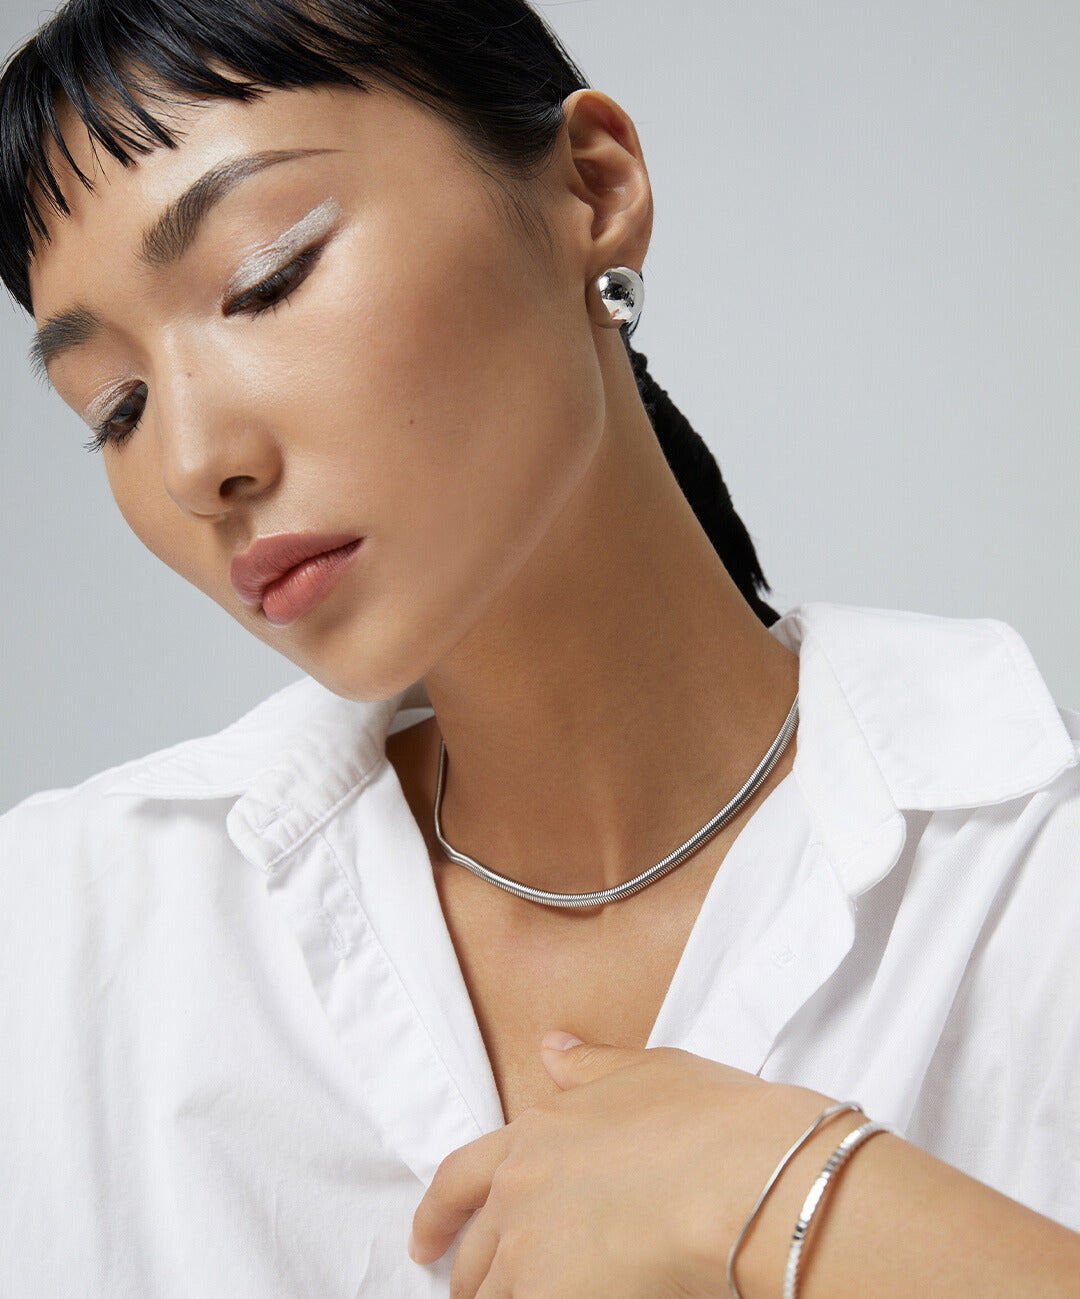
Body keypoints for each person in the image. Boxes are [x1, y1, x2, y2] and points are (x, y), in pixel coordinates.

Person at [0, 1, 1077, 1295]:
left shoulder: (1030, 888)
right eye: (112, 407)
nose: (194, 463)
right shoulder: (64, 938)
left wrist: (795, 1200)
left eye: (265, 276)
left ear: (593, 187)